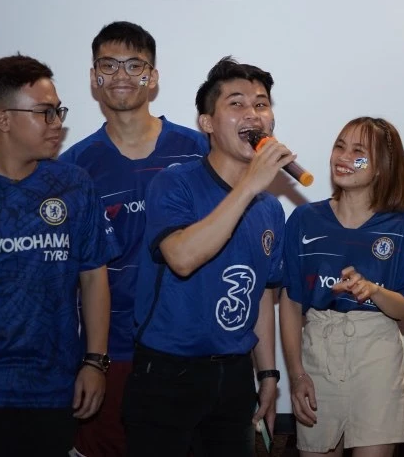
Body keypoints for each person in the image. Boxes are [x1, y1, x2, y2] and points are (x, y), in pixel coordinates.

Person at [122, 57, 291, 456]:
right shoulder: (174, 184)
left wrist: (267, 373)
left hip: (235, 375)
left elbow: (261, 294)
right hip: (168, 373)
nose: (253, 114)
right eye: (236, 103)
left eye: (261, 104)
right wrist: (248, 187)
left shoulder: (271, 209)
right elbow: (182, 257)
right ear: (207, 123)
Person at [59, 21, 209, 457]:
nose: (121, 75)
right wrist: (92, 359)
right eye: (108, 65)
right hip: (112, 351)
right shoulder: (73, 168)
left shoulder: (198, 151)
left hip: (189, 346)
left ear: (153, 76)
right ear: (94, 77)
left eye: (134, 65)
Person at [0, 54, 118, 455]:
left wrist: (95, 362)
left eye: (58, 111)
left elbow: (94, 277)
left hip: (56, 387)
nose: (57, 122)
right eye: (45, 112)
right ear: (3, 119)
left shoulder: (74, 183)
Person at [280, 116, 404, 457]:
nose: (343, 158)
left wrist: (374, 291)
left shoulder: (402, 225)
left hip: (376, 355)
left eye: (358, 152)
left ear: (381, 167)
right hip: (318, 352)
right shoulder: (304, 219)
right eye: (339, 147)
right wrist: (297, 375)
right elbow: (290, 302)